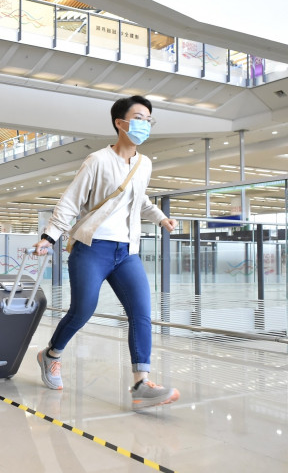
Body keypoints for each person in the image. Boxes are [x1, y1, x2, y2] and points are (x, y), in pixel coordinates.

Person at [33, 95, 180, 410]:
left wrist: (161, 217)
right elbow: (71, 201)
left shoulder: (144, 164)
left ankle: (141, 383)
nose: (145, 124)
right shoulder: (97, 161)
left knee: (141, 313)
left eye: (148, 119)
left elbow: (140, 200)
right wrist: (50, 235)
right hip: (92, 247)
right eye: (139, 117)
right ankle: (50, 355)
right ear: (120, 122)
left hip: (127, 251)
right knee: (83, 309)